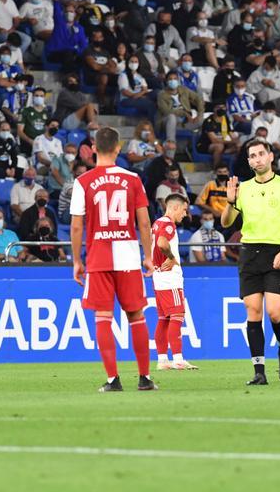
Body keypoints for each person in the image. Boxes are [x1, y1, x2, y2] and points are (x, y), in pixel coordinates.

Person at [70, 126, 158, 392]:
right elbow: (144, 223)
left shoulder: (83, 182)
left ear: (93, 149)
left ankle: (113, 380)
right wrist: (148, 256)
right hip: (129, 256)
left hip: (99, 257)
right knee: (136, 316)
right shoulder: (133, 179)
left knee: (103, 317)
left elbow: (76, 226)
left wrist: (77, 260)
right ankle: (144, 378)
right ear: (119, 148)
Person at [221, 139, 280, 385]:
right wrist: (230, 201)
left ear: (270, 156)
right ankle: (259, 372)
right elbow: (226, 222)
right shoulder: (243, 189)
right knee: (253, 311)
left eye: (260, 154)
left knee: (275, 312)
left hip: (276, 252)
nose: (257, 159)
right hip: (249, 253)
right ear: (248, 161)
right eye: (252, 156)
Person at [151, 193, 199, 371]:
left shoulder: (157, 222)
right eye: (184, 210)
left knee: (163, 319)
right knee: (177, 316)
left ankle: (163, 360)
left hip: (159, 276)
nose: (185, 214)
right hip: (170, 277)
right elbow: (162, 243)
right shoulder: (169, 225)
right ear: (175, 207)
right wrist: (171, 257)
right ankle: (178, 359)